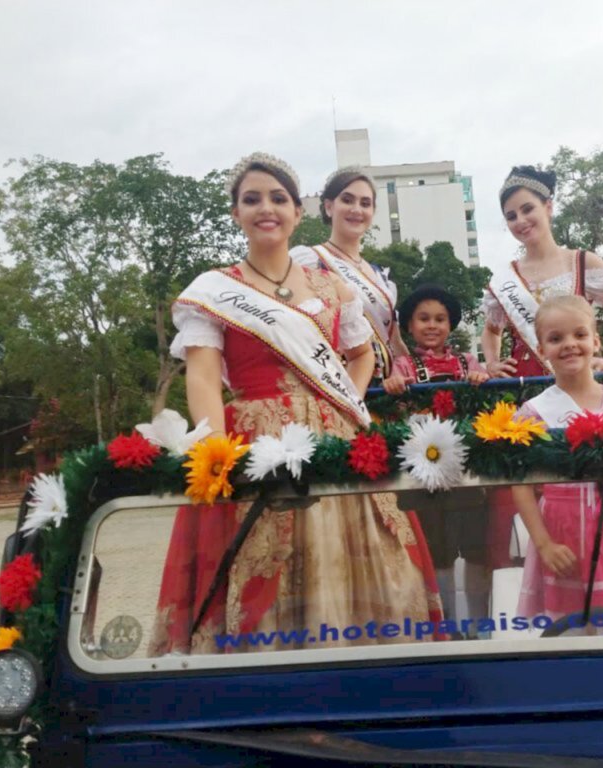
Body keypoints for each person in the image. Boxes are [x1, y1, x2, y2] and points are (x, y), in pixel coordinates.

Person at [149, 153, 441, 656]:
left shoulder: (332, 287)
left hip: (336, 437)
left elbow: (360, 353)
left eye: (278, 198)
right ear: (236, 212)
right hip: (257, 438)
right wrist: (214, 446)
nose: (267, 208)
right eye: (252, 199)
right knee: (263, 559)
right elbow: (201, 374)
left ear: (297, 211)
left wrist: (346, 398)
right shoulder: (216, 290)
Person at [481, 165, 603, 569]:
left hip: (583, 390)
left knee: (591, 488)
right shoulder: (507, 278)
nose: (520, 221)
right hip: (528, 395)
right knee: (525, 494)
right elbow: (491, 330)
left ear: (549, 207)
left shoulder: (581, 262)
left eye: (527, 209)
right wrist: (490, 362)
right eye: (511, 216)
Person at [512, 296, 603, 634]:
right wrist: (543, 542)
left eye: (579, 334)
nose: (569, 345)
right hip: (559, 531)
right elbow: (517, 481)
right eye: (556, 338)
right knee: (567, 630)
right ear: (541, 348)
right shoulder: (533, 413)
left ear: (595, 340)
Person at [384, 285, 491, 637]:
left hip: (467, 468)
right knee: (437, 548)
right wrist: (395, 386)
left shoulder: (466, 362)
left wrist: (479, 378)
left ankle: (479, 626)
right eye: (424, 319)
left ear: (451, 325)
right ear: (410, 326)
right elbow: (396, 406)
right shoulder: (403, 363)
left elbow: (485, 396)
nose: (432, 325)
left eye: (440, 319)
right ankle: (447, 625)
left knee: (476, 545)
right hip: (423, 473)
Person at [291, 167, 406, 383]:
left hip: (388, 389)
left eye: (365, 203)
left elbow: (395, 341)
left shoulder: (380, 276)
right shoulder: (309, 260)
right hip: (339, 383)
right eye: (347, 200)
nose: (356, 209)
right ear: (328, 206)